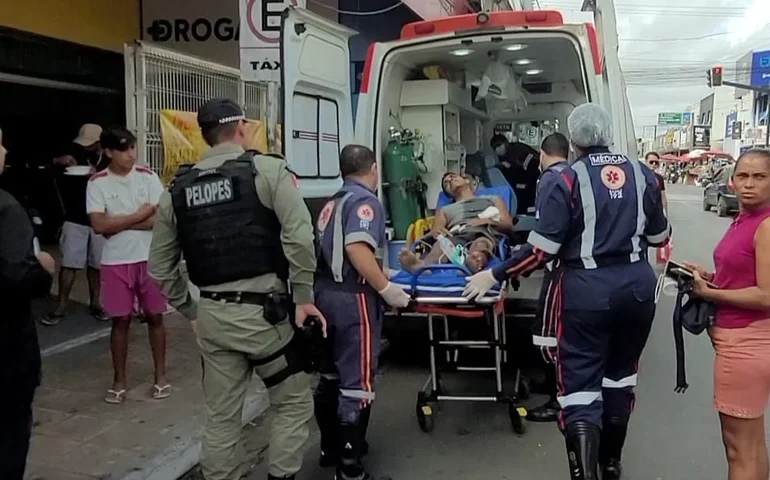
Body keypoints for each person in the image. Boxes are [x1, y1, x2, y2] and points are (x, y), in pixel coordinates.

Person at [464, 104, 670, 480]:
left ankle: (585, 474)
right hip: (638, 289)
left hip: (587, 291)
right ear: (608, 133)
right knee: (620, 378)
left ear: (573, 139)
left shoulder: (565, 179)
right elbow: (660, 236)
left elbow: (543, 249)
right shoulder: (645, 175)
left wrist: (494, 274)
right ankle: (610, 463)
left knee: (579, 388)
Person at [148, 98, 324, 480]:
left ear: (204, 134)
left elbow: (159, 267)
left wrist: (192, 311)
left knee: (221, 417)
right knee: (292, 402)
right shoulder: (267, 171)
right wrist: (304, 298)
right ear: (242, 127)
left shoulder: (176, 189)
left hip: (213, 318)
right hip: (267, 319)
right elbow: (299, 237)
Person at [313, 144, 409, 480]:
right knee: (357, 381)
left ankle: (331, 449)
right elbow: (356, 248)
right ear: (373, 169)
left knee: (329, 377)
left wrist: (385, 273)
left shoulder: (332, 202)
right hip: (353, 299)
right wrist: (384, 287)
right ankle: (350, 469)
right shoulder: (365, 201)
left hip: (325, 294)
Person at [687, 149, 770, 480]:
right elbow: (745, 276)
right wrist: (710, 277)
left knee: (738, 449)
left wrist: (711, 294)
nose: (749, 184)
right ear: (732, 181)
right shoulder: (745, 219)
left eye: (760, 177)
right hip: (742, 340)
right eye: (743, 176)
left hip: (747, 344)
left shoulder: (765, 225)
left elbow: (766, 295)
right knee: (752, 446)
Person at [86, 127, 169, 404]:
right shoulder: (97, 183)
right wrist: (141, 214)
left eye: (132, 148)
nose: (130, 154)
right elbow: (98, 225)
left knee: (155, 317)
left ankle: (160, 376)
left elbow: (161, 220)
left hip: (149, 258)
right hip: (115, 262)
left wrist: (119, 222)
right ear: (108, 152)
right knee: (120, 321)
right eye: (124, 149)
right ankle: (119, 380)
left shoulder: (148, 177)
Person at [0, 127, 56, 480]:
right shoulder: (5, 208)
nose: (5, 150)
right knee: (8, 439)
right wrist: (44, 269)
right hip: (6, 355)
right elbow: (16, 277)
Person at [526, 132, 571, 423]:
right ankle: (550, 382)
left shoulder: (549, 180)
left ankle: (559, 398)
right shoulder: (572, 175)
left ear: (542, 154)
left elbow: (546, 227)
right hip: (570, 265)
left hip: (557, 265)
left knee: (549, 333)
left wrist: (522, 261)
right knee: (552, 331)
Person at [43, 124, 108, 325]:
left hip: (100, 217)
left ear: (99, 142)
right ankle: (61, 305)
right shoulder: (74, 153)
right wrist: (57, 161)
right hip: (75, 216)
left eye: (90, 144)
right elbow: (44, 170)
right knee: (70, 263)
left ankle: (96, 303)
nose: (85, 147)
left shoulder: (109, 157)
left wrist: (98, 174)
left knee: (96, 265)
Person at [398, 171, 516, 274]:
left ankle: (474, 260)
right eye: (446, 183)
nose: (450, 180)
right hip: (457, 235)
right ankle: (421, 267)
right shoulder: (445, 210)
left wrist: (489, 221)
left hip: (484, 231)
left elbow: (509, 226)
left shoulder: (493, 199)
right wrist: (438, 234)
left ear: (466, 180)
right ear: (449, 194)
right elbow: (436, 231)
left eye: (453, 176)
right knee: (441, 245)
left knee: (480, 244)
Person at [490, 134, 540, 215]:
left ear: (505, 143)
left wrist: (511, 166)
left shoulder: (517, 149)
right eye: (495, 148)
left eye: (499, 146)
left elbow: (529, 164)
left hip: (530, 179)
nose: (498, 149)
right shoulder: (500, 161)